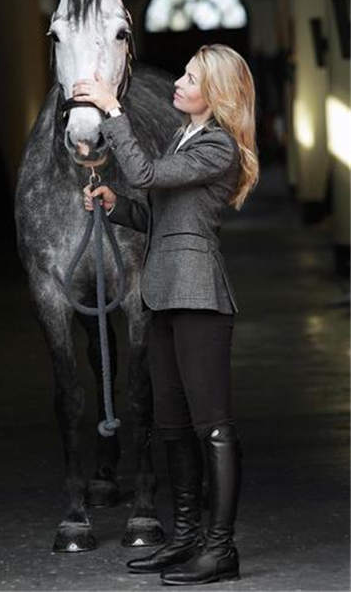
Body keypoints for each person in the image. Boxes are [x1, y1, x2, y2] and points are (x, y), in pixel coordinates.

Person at [74, 43, 259, 585]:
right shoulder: (186, 136)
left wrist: (112, 111)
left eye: (190, 78)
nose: (178, 82)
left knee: (213, 427)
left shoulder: (219, 145)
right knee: (170, 425)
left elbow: (150, 176)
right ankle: (183, 539)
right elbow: (163, 214)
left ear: (216, 95)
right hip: (164, 291)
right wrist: (118, 206)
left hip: (199, 294)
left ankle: (220, 549)